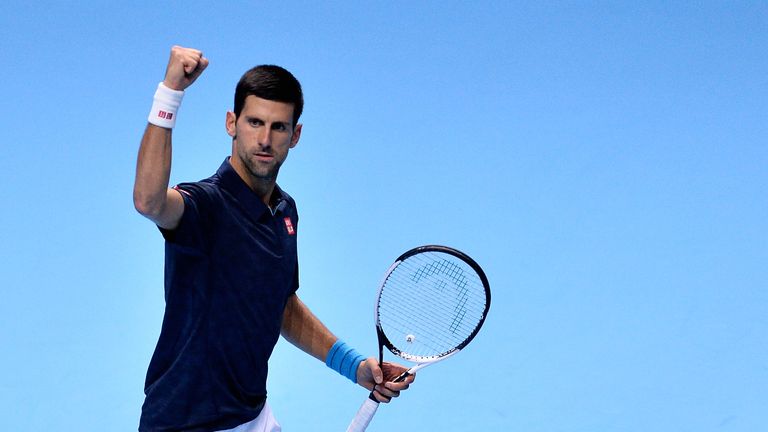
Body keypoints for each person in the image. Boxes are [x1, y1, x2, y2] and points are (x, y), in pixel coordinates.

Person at [133, 46, 414, 432]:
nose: (264, 139)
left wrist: (356, 366)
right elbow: (148, 200)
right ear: (231, 123)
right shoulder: (204, 205)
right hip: (185, 421)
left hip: (253, 417)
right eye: (254, 123)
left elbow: (280, 304)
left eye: (278, 127)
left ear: (295, 135)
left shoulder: (284, 211)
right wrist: (170, 92)